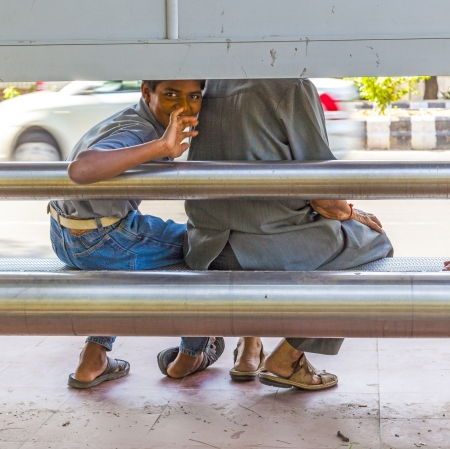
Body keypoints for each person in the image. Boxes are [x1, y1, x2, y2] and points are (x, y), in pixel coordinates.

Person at [160, 78, 393, 390]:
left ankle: (249, 349)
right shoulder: (291, 86)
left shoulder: (211, 83)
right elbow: (324, 196)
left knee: (250, 217)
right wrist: (352, 212)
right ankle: (288, 357)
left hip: (205, 247)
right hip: (268, 245)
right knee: (376, 244)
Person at [49, 79, 224, 389]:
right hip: (100, 239)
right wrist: (162, 147)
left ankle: (93, 359)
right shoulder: (141, 131)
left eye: (193, 96)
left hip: (65, 233)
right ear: (147, 92)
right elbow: (82, 169)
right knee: (207, 245)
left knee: (134, 251)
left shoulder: (134, 116)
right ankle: (191, 354)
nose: (182, 106)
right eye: (171, 94)